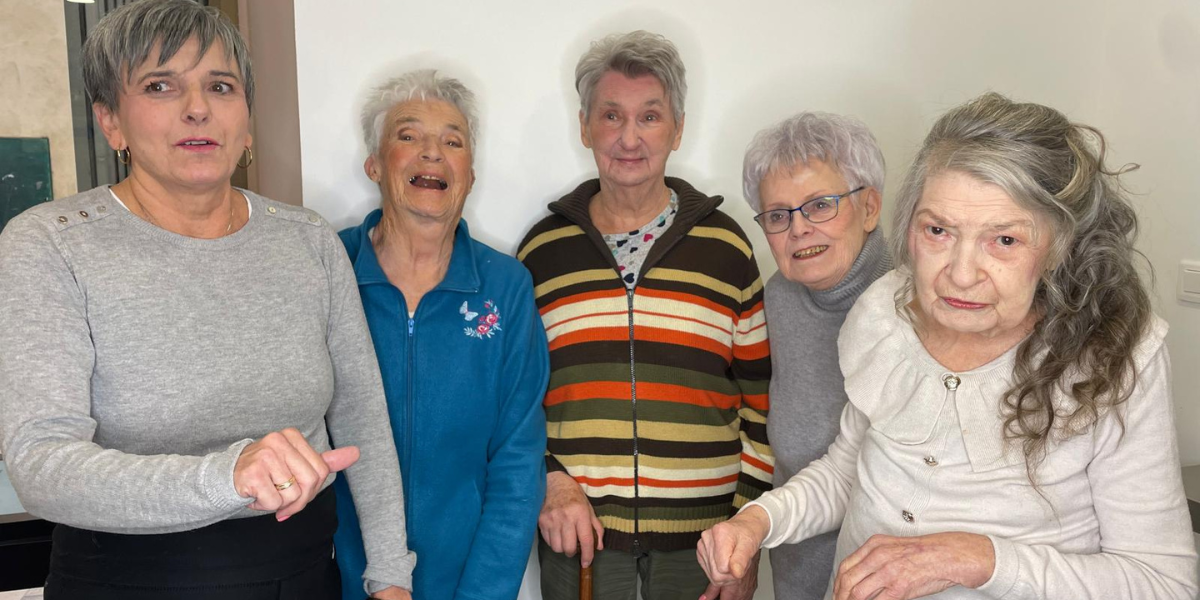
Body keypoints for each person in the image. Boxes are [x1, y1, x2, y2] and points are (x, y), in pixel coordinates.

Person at [696, 92, 1200, 600]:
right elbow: (849, 470)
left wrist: (980, 558)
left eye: (1004, 240)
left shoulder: (1116, 354)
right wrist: (758, 521)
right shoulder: (883, 312)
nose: (960, 274)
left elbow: (1163, 583)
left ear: (1059, 245)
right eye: (937, 230)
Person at [0, 1, 414, 599]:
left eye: (220, 85)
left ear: (246, 123)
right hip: (126, 581)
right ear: (110, 121)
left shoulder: (307, 239)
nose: (197, 108)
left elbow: (362, 421)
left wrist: (390, 578)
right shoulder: (51, 244)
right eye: (159, 85)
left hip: (302, 577)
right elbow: (41, 464)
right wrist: (228, 474)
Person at [518, 30, 773, 600]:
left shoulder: (726, 249)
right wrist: (549, 481)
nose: (628, 137)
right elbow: (514, 402)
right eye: (611, 115)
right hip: (579, 541)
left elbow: (762, 405)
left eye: (650, 117)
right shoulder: (541, 253)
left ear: (677, 128)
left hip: (707, 546)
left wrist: (745, 532)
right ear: (584, 126)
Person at [332, 69, 550, 600]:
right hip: (341, 580)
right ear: (375, 165)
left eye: (452, 141)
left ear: (469, 175)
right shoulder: (327, 268)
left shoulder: (506, 286)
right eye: (408, 136)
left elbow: (518, 462)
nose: (432, 153)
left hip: (468, 583)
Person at [742, 112, 891, 599]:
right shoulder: (778, 298)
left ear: (869, 207)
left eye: (820, 205)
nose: (799, 229)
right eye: (779, 215)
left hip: (888, 571)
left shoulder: (917, 302)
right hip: (798, 563)